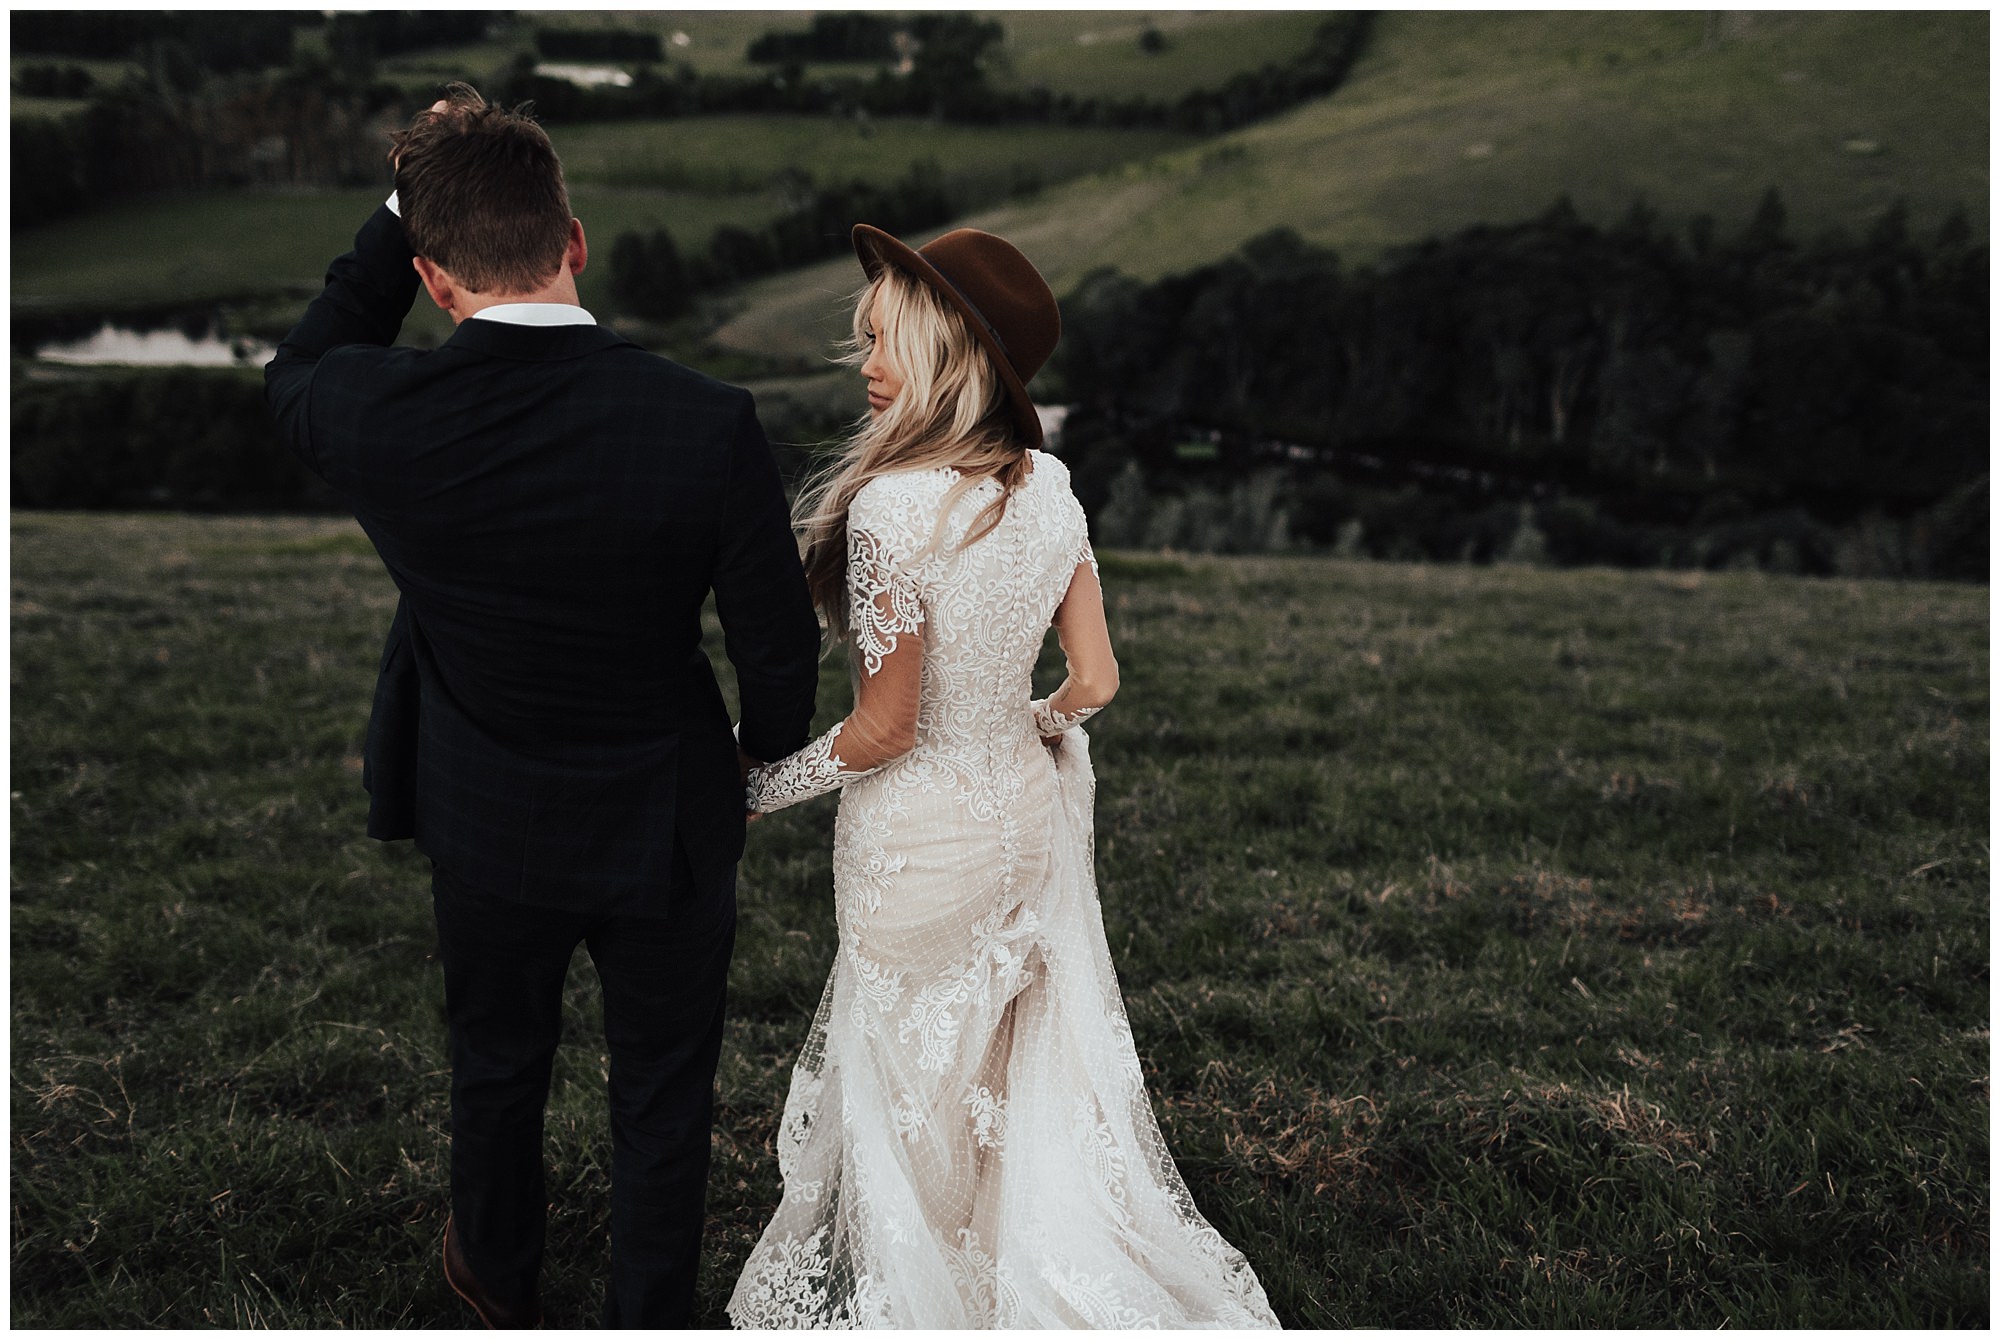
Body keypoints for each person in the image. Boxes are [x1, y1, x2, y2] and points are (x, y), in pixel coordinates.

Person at [264, 85, 822, 1328]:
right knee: (662, 1091)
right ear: (574, 241)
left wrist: (402, 206)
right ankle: (646, 1308)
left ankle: (498, 1281)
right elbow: (778, 649)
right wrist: (755, 758)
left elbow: (299, 359)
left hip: (484, 813)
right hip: (666, 816)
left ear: (433, 280)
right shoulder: (706, 419)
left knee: (497, 1061)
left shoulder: (378, 412)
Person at [724, 224, 1280, 1328]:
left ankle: (930, 1296)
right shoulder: (1053, 488)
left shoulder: (889, 507)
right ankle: (997, 1278)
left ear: (946, 351)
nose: (865, 363)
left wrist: (751, 786)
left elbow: (884, 729)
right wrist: (1026, 722)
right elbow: (1097, 678)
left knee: (912, 1087)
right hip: (1022, 819)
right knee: (999, 1073)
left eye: (882, 339)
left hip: (918, 839)